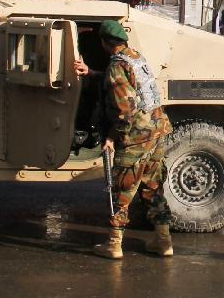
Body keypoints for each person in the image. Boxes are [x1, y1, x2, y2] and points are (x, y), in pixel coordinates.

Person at [75, 20, 175, 260]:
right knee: (152, 187)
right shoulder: (135, 57)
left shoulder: (116, 67)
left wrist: (110, 137)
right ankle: (164, 242)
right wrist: (92, 73)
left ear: (104, 43)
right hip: (157, 131)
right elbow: (131, 86)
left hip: (137, 136)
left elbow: (125, 110)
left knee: (123, 187)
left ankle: (114, 244)